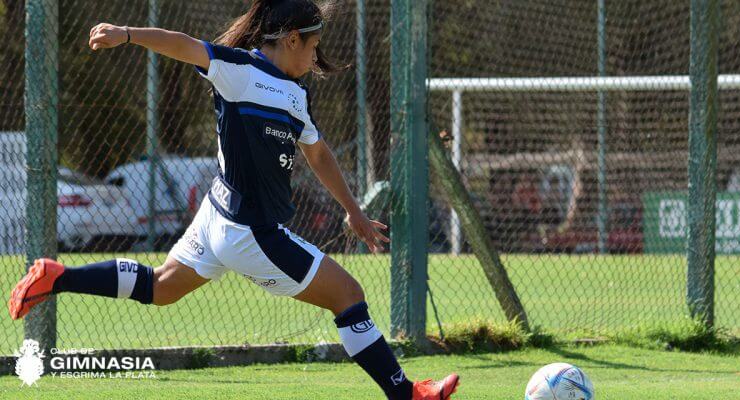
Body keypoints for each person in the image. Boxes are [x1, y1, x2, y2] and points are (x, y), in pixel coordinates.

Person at [7, 1, 459, 399]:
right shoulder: (239, 70)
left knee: (161, 288)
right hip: (250, 233)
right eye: (313, 46)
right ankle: (407, 395)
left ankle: (56, 277)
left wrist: (353, 210)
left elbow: (317, 152)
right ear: (292, 39)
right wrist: (127, 35)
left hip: (218, 217)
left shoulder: (295, 93)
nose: (317, 57)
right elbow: (183, 43)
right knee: (349, 295)